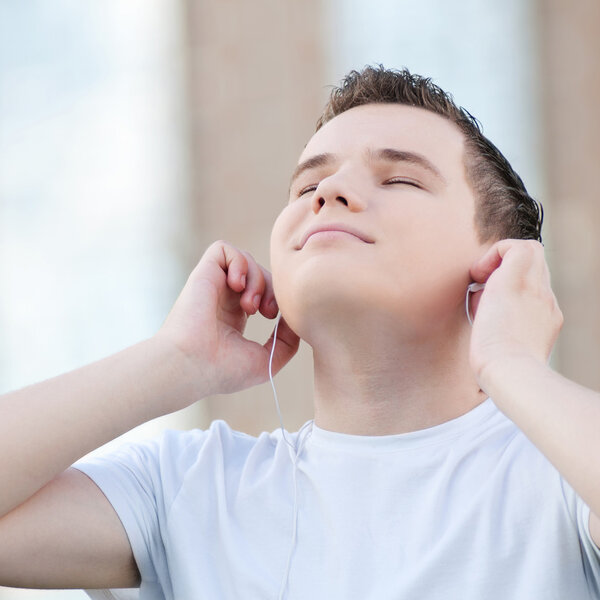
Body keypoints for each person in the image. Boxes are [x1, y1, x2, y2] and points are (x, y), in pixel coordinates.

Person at [0, 65, 599, 599]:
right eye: (308, 187)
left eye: (399, 180)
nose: (329, 194)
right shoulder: (192, 489)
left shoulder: (561, 475)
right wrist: (173, 361)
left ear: (501, 265)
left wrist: (510, 364)